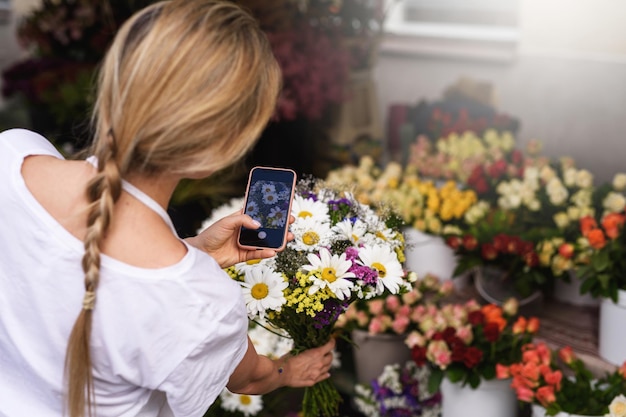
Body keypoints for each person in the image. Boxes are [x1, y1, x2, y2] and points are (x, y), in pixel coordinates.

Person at [0, 1, 335, 417]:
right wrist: (289, 369)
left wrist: (193, 253)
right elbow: (249, 378)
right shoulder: (202, 308)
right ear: (219, 150)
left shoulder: (12, 157)